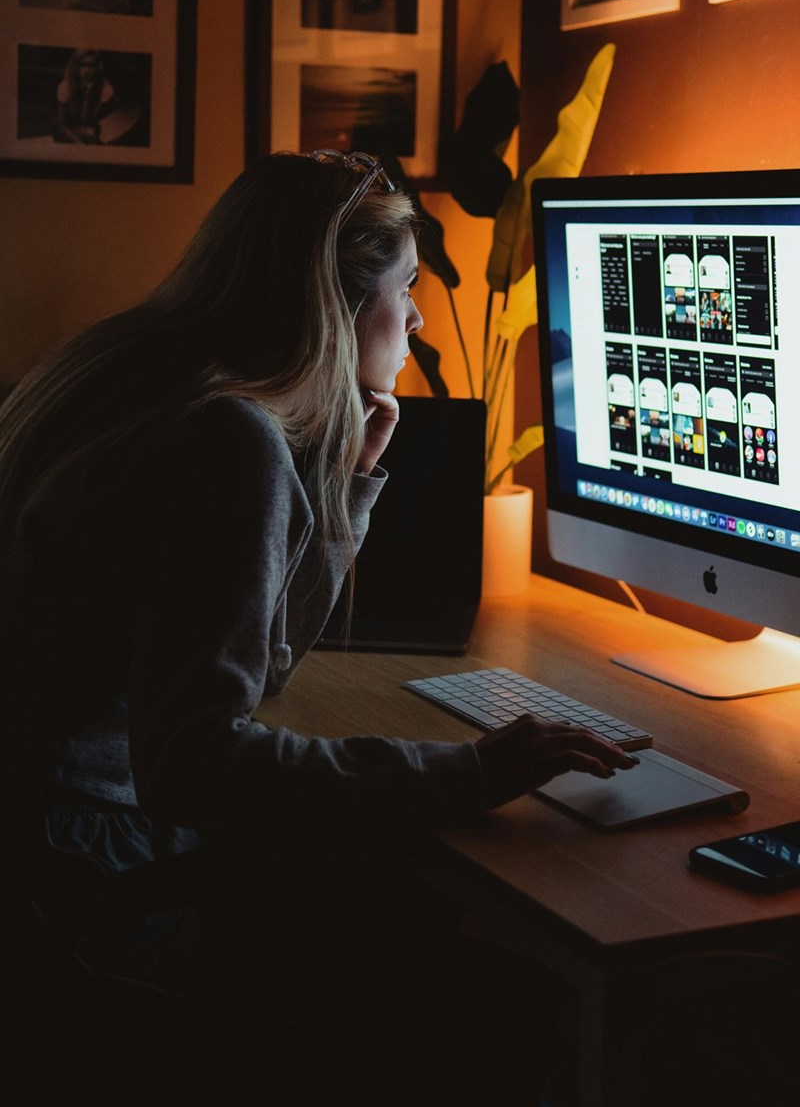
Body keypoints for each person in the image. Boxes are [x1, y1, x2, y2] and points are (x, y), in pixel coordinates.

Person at [0, 150, 634, 1089]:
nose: (418, 317)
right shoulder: (230, 438)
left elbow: (257, 673)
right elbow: (198, 764)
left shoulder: (121, 366)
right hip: (92, 876)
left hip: (35, 850)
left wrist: (342, 491)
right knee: (503, 970)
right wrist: (466, 770)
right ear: (335, 304)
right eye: (407, 287)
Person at [52, 47, 116, 143]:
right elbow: (62, 125)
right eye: (82, 65)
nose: (86, 70)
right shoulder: (65, 86)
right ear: (76, 67)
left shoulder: (105, 88)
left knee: (92, 140)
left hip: (88, 126)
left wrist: (88, 96)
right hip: (66, 128)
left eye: (91, 66)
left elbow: (88, 122)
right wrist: (78, 142)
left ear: (98, 67)